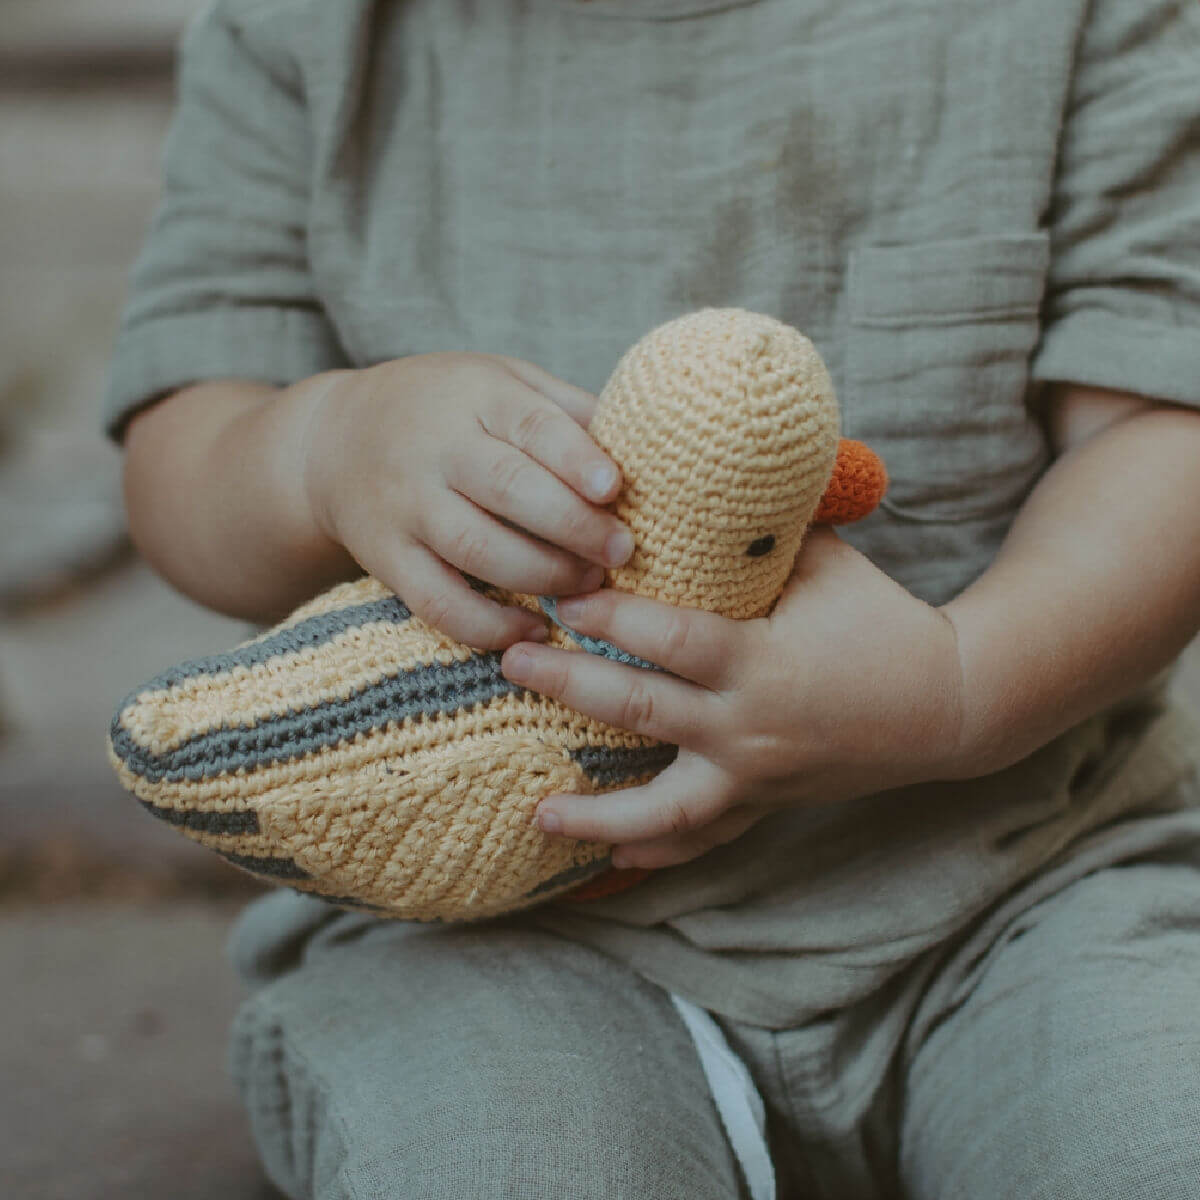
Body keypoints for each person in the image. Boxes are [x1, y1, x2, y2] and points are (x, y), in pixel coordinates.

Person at [104, 1, 1200, 1196]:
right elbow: (182, 452)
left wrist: (962, 690)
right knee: (514, 1164)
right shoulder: (310, 32)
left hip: (1020, 878)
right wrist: (324, 445)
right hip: (488, 927)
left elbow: (1160, 423)